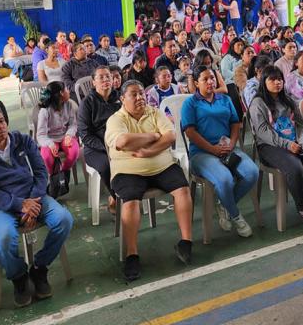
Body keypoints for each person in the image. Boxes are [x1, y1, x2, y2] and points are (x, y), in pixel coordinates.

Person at [0, 104, 73, 308]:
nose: (0, 127)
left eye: (2, 121)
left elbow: (41, 172)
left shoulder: (21, 141)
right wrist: (19, 204)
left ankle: (40, 268)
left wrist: (32, 201)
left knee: (64, 219)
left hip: (33, 198)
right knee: (4, 237)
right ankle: (19, 276)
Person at [105, 80, 195, 280]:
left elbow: (170, 136)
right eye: (133, 95)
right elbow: (123, 141)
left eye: (141, 94)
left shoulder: (154, 112)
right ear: (122, 99)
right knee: (130, 201)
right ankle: (132, 254)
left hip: (162, 166)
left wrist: (149, 151)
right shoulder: (116, 120)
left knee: (182, 189)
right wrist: (153, 135)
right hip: (127, 171)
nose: (139, 98)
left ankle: (186, 242)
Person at [249, 66, 303, 228]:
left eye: (280, 79)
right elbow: (263, 132)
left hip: (295, 142)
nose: (277, 82)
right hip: (270, 147)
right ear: (264, 82)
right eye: (272, 79)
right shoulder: (258, 103)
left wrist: (302, 143)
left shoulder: (288, 100)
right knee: (295, 167)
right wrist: (287, 144)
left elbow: (300, 125)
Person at [181, 65, 259, 237]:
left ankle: (224, 204)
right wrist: (213, 149)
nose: (210, 82)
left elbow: (235, 123)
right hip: (201, 153)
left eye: (212, 78)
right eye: (205, 79)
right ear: (196, 83)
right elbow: (190, 132)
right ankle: (236, 216)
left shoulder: (224, 99)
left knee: (252, 172)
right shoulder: (190, 103)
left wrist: (231, 144)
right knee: (225, 179)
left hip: (227, 148)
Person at [78, 66, 123, 213]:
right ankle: (116, 197)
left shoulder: (120, 98)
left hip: (120, 142)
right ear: (93, 82)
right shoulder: (87, 103)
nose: (106, 80)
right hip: (95, 148)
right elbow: (85, 135)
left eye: (108, 76)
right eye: (101, 77)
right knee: (106, 166)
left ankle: (130, 194)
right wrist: (107, 147)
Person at [36, 81, 79, 193]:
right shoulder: (44, 111)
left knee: (74, 151)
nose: (68, 91)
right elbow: (41, 135)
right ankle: (53, 178)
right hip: (50, 139)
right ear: (61, 93)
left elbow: (73, 124)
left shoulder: (69, 104)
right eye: (66, 89)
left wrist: (69, 135)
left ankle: (63, 173)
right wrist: (50, 144)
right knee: (46, 156)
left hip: (65, 136)